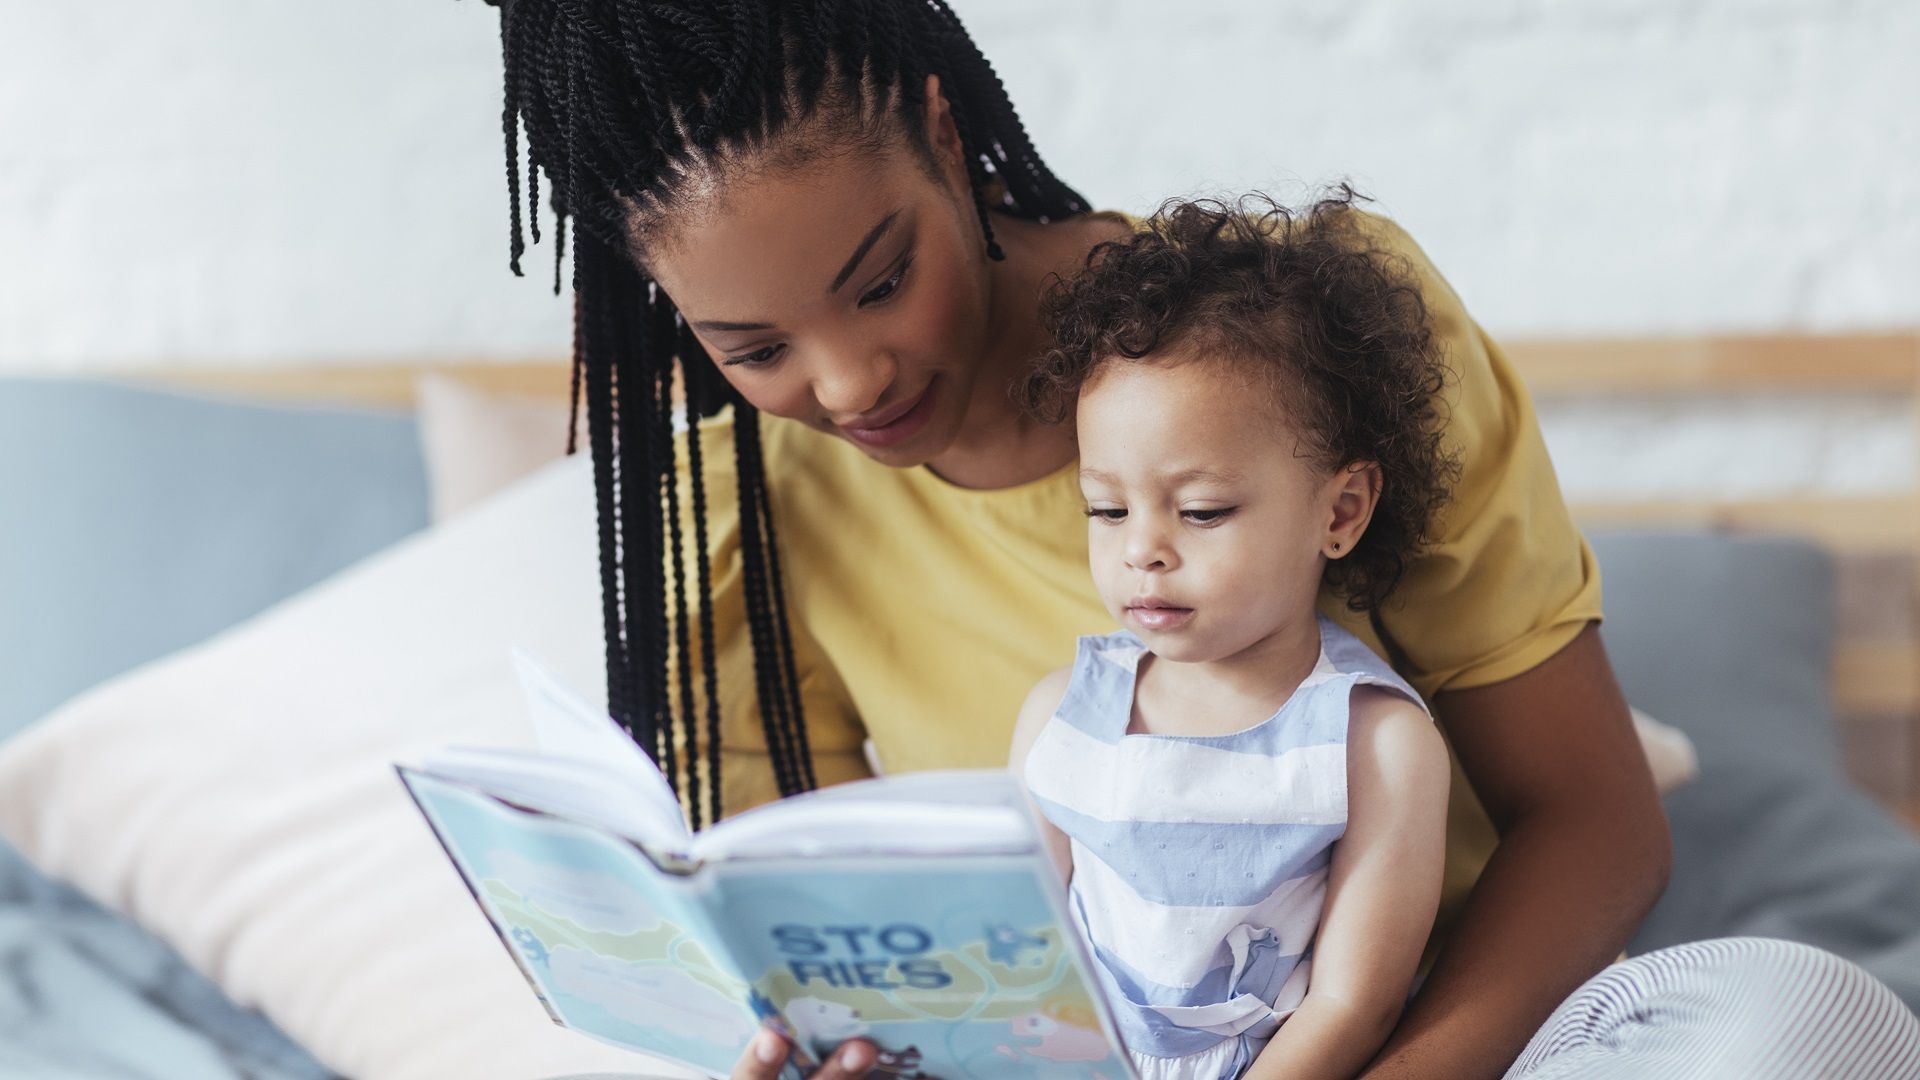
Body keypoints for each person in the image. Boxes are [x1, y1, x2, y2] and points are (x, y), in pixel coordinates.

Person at [476, 2, 1920, 1077]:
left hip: (1478, 1050)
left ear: (935, 125)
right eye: (753, 347)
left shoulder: (1308, 342)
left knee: (1804, 1023)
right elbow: (852, 976)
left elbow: (1598, 824)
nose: (848, 383)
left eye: (882, 278)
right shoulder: (739, 527)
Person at [1007, 193, 1454, 1080]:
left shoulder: (1374, 742)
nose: (1143, 551)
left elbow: (1351, 1004)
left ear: (1342, 509)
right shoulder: (1064, 716)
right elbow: (1024, 958)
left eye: (1202, 510)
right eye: (1107, 507)